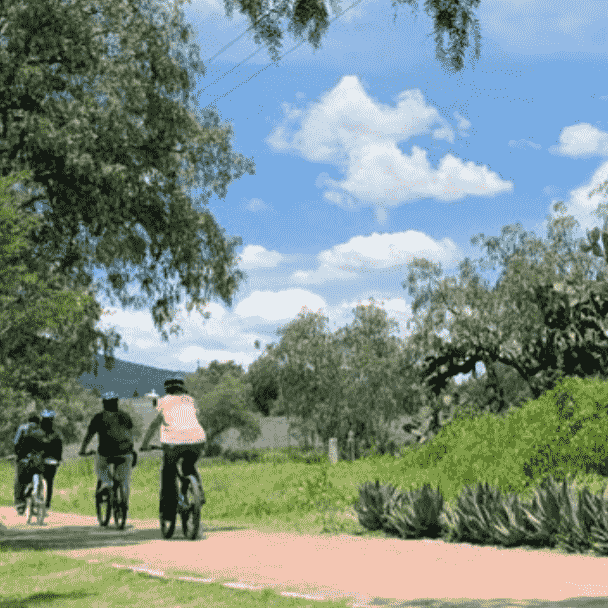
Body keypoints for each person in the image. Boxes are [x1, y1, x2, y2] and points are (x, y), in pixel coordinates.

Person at [140, 374, 206, 522]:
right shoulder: (191, 400)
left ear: (167, 389)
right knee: (189, 466)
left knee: (168, 471)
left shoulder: (162, 401)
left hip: (173, 443)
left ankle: (169, 510)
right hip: (198, 439)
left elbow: (154, 425)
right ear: (182, 388)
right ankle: (199, 493)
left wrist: (145, 444)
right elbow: (196, 418)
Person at [78, 392, 135, 512]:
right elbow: (130, 435)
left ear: (104, 403)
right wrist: (131, 449)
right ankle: (124, 502)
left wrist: (83, 450)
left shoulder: (98, 417)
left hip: (105, 452)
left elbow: (89, 436)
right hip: (125, 452)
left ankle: (106, 483)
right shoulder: (125, 416)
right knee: (124, 479)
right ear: (116, 403)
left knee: (101, 466)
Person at [14, 410, 63, 514]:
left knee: (27, 477)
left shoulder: (36, 431)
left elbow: (26, 445)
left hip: (38, 460)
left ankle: (26, 500)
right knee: (49, 481)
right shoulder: (55, 434)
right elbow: (58, 449)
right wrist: (58, 459)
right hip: (47, 461)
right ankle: (46, 504)